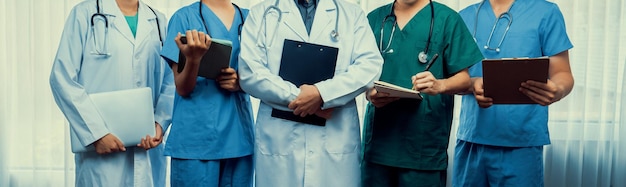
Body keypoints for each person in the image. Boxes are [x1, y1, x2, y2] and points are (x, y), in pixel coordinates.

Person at [238, 0, 384, 186]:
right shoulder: (262, 13)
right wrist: (305, 100)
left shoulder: (352, 14)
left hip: (334, 141)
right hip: (280, 143)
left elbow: (370, 66)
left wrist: (322, 95)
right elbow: (250, 72)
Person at [49, 0, 174, 186]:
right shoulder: (84, 14)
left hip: (147, 148)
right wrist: (96, 134)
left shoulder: (158, 20)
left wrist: (160, 124)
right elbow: (62, 78)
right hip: (101, 153)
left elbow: (171, 81)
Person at [361, 0, 484, 186]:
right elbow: (359, 74)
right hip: (379, 144)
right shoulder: (374, 19)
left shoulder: (447, 19)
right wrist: (369, 93)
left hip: (423, 145)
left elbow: (464, 80)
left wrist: (440, 85)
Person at [454, 0, 574, 186]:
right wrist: (471, 84)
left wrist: (557, 90)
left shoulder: (546, 12)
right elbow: (451, 78)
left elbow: (563, 73)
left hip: (521, 141)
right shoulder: (465, 16)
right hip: (472, 137)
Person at [159, 0, 254, 186]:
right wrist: (193, 60)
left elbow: (265, 76)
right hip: (195, 141)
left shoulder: (250, 19)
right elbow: (182, 88)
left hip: (239, 140)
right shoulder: (183, 18)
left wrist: (241, 83)